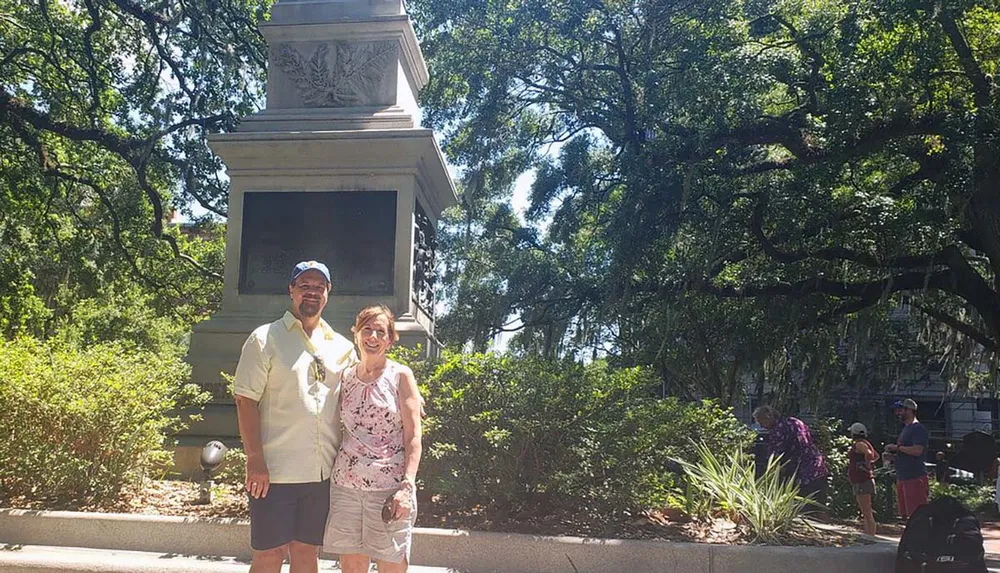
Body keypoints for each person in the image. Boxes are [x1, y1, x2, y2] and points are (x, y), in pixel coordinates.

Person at [233, 261, 355, 573]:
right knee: (269, 555)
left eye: (318, 287)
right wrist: (254, 459)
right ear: (291, 291)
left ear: (327, 293)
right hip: (274, 473)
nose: (311, 292)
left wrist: (404, 389)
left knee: (306, 554)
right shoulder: (265, 339)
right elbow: (245, 400)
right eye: (304, 286)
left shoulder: (342, 346)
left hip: (320, 474)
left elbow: (363, 389)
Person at [324, 305, 423, 573]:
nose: (373, 337)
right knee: (352, 568)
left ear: (390, 340)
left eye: (381, 332)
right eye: (367, 329)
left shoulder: (401, 376)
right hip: (346, 487)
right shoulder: (345, 376)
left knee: (392, 565)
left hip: (389, 490)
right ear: (356, 334)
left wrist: (407, 487)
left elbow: (413, 436)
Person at [752, 405, 829, 506]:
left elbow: (775, 456)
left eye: (761, 422)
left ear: (768, 417)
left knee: (803, 506)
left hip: (801, 472)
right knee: (819, 503)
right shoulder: (795, 422)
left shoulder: (777, 431)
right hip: (817, 465)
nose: (761, 426)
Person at [886, 398, 929, 521]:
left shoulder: (917, 428)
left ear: (909, 410)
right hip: (903, 476)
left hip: (914, 477)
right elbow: (905, 453)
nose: (898, 413)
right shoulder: (906, 429)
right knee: (906, 516)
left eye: (901, 410)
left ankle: (922, 538)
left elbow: (917, 451)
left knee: (918, 515)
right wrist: (893, 457)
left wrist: (897, 448)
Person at [847, 422, 879, 536]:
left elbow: (870, 454)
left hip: (862, 481)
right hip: (863, 480)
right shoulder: (866, 443)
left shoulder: (859, 444)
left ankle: (871, 536)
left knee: (867, 512)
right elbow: (876, 456)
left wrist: (867, 464)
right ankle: (869, 534)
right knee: (866, 512)